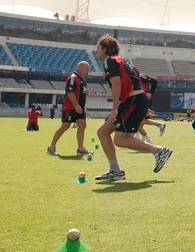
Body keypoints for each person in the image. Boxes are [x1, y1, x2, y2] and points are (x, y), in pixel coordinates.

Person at [94, 35, 173, 181]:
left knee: (120, 139)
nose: (96, 50)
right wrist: (142, 106)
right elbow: (135, 81)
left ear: (105, 48)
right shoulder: (122, 62)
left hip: (132, 100)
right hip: (134, 100)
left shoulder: (110, 61)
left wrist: (115, 109)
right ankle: (115, 170)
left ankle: (159, 151)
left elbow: (117, 84)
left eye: (98, 47)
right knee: (103, 132)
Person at [47, 61, 92, 156]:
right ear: (79, 68)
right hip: (71, 107)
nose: (88, 71)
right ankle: (51, 147)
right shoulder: (73, 78)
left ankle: (80, 149)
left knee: (82, 125)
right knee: (65, 126)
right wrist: (76, 105)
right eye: (86, 68)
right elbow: (70, 92)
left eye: (88, 69)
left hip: (80, 108)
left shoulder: (82, 79)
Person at [132, 67, 166, 143]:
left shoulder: (141, 76)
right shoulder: (132, 80)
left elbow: (154, 82)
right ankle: (144, 139)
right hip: (140, 101)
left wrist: (150, 92)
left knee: (138, 121)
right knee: (139, 122)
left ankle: (158, 127)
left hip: (145, 101)